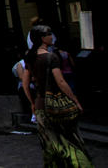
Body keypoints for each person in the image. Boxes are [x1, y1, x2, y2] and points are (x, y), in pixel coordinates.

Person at [21, 24, 93, 167]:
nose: (51, 36)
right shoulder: (51, 57)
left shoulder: (30, 57)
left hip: (41, 104)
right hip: (57, 105)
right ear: (42, 38)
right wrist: (75, 100)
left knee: (50, 145)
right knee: (71, 141)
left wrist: (32, 103)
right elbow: (60, 81)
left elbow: (25, 84)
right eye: (48, 34)